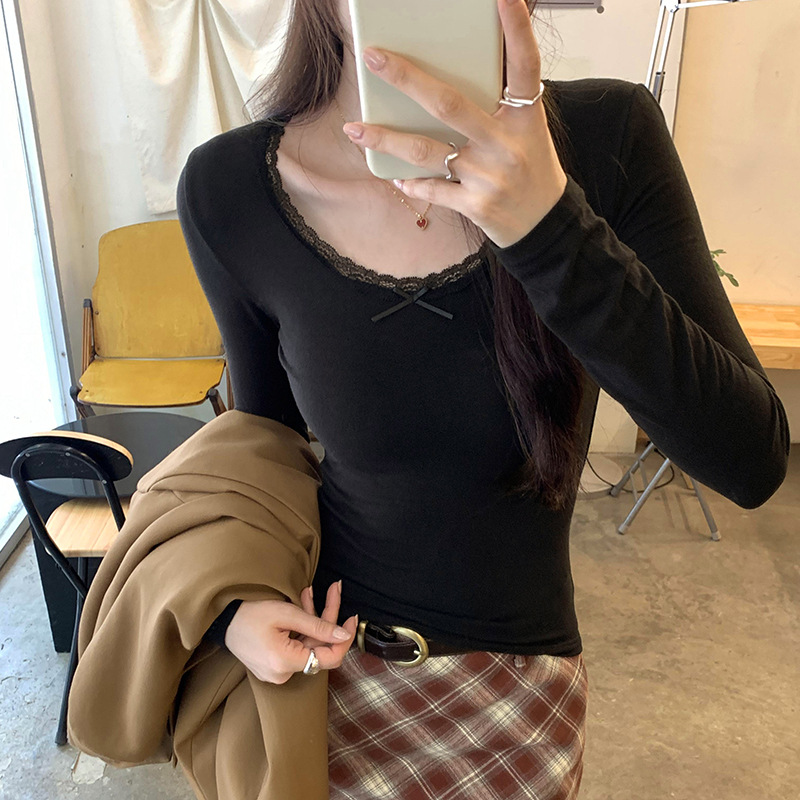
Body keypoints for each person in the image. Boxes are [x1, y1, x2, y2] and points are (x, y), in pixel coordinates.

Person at [176, 0, 790, 797]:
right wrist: (238, 608)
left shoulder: (608, 138)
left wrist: (548, 226)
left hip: (522, 703)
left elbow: (750, 459)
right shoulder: (232, 189)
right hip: (322, 680)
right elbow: (263, 453)